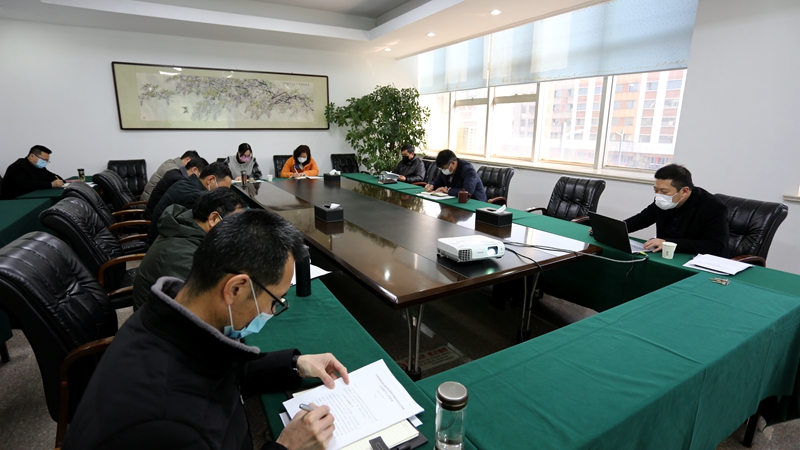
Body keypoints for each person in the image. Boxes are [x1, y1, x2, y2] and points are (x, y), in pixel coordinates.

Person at [62, 209, 348, 450]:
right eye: (275, 301)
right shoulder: (169, 423)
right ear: (235, 289)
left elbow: (224, 371)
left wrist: (295, 364)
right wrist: (287, 446)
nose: (272, 312)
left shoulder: (171, 318)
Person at [133, 188, 244, 310]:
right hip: (161, 318)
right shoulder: (181, 255)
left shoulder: (187, 227)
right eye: (235, 224)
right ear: (213, 219)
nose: (238, 232)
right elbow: (205, 304)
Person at [624, 163, 729, 256]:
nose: (659, 195)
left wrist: (667, 243)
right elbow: (642, 219)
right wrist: (618, 230)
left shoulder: (713, 207)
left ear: (684, 191)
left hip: (699, 260)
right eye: (656, 190)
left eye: (664, 191)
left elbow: (715, 246)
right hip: (667, 255)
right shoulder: (662, 201)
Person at [146, 162, 232, 247]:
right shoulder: (195, 196)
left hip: (161, 238)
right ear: (210, 180)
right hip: (163, 245)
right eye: (223, 189)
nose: (223, 193)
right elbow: (200, 230)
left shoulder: (188, 181)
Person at [144, 156, 208, 220]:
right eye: (202, 176)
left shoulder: (175, 172)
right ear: (194, 170)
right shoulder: (179, 180)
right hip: (155, 218)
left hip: (157, 213)